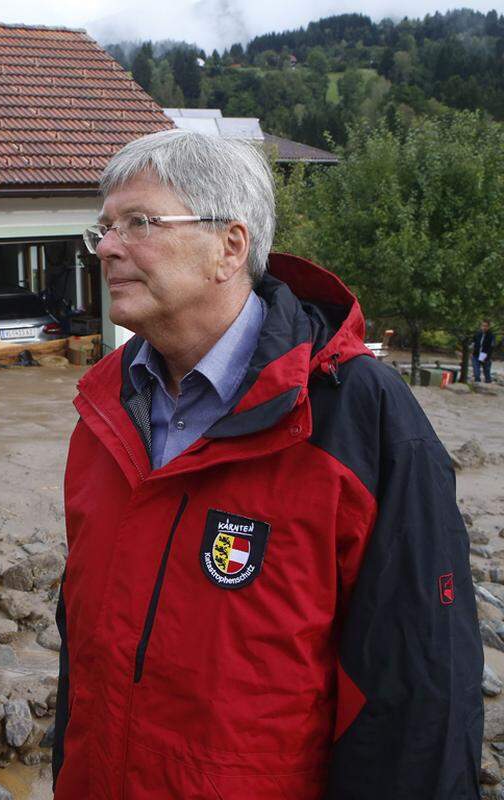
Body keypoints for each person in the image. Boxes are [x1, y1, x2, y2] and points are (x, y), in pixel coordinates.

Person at [53, 129, 482, 799]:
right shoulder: (103, 410)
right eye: (103, 227)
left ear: (230, 245)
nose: (107, 248)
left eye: (138, 222)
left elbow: (418, 694)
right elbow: (80, 658)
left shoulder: (358, 416)